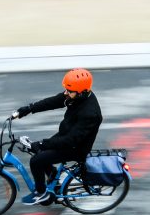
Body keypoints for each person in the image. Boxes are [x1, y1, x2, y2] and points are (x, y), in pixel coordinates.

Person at [11, 68, 103, 205]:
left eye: (69, 91)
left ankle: (41, 193)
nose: (65, 93)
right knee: (37, 149)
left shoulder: (90, 114)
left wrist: (43, 144)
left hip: (75, 147)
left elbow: (70, 141)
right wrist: (29, 109)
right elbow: (54, 101)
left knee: (36, 161)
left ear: (81, 92)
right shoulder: (79, 94)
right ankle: (54, 178)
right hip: (66, 135)